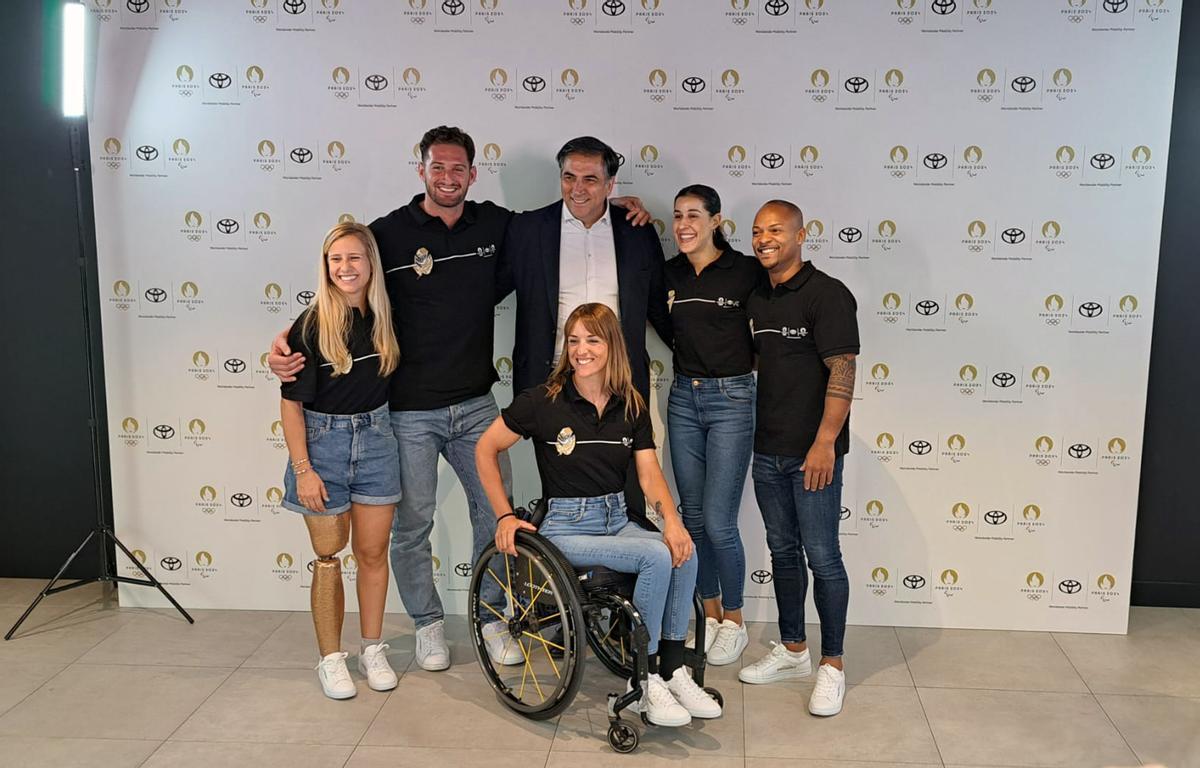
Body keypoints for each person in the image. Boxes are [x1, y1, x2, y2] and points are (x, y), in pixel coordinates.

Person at [270, 127, 650, 672]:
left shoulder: (498, 224)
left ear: (473, 174)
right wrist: (288, 340)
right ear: (421, 170)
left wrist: (617, 203)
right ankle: (428, 624)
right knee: (413, 525)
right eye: (437, 167)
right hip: (408, 411)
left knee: (497, 516)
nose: (447, 178)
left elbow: (567, 212)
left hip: (476, 403)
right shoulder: (386, 235)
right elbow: (343, 281)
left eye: (457, 169)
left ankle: (491, 617)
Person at [475, 303, 720, 728]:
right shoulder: (543, 401)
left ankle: (672, 670)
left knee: (684, 551)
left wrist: (673, 523)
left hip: (616, 519)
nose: (581, 350)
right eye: (573, 340)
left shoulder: (630, 404)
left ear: (612, 346)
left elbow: (649, 474)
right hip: (565, 528)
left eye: (592, 340)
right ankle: (643, 680)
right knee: (656, 556)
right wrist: (503, 516)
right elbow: (485, 449)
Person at [499, 136, 672, 521]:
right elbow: (485, 290)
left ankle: (629, 556)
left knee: (630, 492)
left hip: (621, 380)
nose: (577, 188)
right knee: (559, 498)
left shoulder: (637, 230)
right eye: (569, 177)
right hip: (552, 380)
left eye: (590, 179)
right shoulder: (528, 229)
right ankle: (564, 562)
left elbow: (659, 307)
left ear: (611, 184)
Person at [737, 200, 859, 718]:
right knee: (783, 553)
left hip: (814, 455)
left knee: (823, 557)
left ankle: (833, 665)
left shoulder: (827, 294)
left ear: (801, 235)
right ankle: (793, 651)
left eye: (776, 230)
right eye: (757, 231)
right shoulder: (758, 298)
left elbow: (843, 370)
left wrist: (825, 442)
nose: (764, 239)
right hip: (768, 451)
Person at [278, 222, 402, 699]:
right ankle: (331, 659)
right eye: (336, 259)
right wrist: (304, 470)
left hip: (378, 440)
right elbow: (291, 405)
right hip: (323, 446)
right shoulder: (311, 324)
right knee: (328, 558)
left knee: (372, 554)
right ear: (325, 267)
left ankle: (372, 648)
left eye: (354, 258)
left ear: (371, 263)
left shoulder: (387, 318)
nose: (345, 268)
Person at [664, 185, 763, 666]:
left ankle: (735, 622)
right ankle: (709, 614)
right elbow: (665, 328)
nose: (684, 225)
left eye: (694, 215)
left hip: (732, 400)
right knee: (693, 518)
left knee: (720, 522)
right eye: (677, 216)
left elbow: (766, 330)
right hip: (684, 398)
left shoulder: (745, 271)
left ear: (716, 221)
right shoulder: (670, 273)